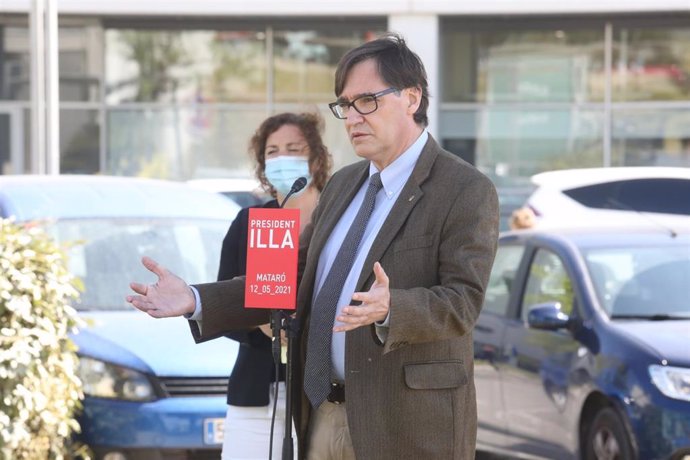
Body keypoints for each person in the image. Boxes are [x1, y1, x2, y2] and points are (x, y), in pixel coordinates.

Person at [128, 33, 499, 459]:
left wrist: (392, 306)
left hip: (407, 425)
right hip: (323, 414)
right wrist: (195, 298)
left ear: (412, 98)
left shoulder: (465, 189)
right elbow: (287, 281)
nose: (353, 117)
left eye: (367, 101)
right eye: (345, 105)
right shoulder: (343, 186)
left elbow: (463, 301)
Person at [219, 112, 332, 459]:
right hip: (258, 394)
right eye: (272, 152)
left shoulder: (340, 220)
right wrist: (264, 324)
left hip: (324, 394)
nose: (282, 159)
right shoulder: (249, 223)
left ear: (315, 157)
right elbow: (224, 302)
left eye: (293, 149)